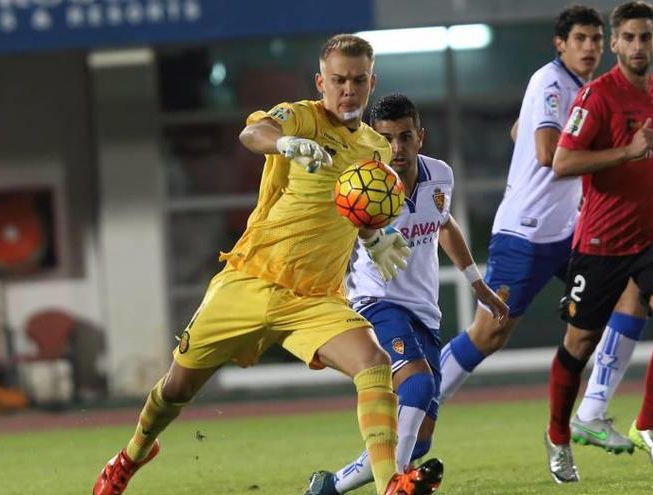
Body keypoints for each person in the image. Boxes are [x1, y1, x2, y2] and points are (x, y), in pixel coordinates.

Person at [92, 34, 442, 495]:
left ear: (371, 82)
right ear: (322, 81)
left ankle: (389, 484)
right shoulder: (299, 116)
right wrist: (288, 144)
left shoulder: (376, 151)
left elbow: (361, 210)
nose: (348, 90)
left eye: (358, 80)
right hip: (250, 281)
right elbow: (252, 132)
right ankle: (132, 453)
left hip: (314, 299)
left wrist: (374, 237)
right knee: (176, 389)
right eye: (338, 80)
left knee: (374, 364)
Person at [304, 94, 508, 495]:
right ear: (373, 140)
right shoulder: (364, 184)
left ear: (420, 137)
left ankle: (328, 488)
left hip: (424, 311)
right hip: (375, 302)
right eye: (386, 138)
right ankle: (393, 486)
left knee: (421, 438)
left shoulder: (440, 176)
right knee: (416, 387)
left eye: (404, 136)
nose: (396, 148)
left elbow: (444, 224)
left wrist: (476, 282)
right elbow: (336, 233)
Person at [551, 0, 653, 473]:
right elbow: (563, 162)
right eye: (628, 38)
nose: (637, 46)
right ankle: (558, 437)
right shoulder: (594, 97)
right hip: (602, 241)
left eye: (645, 37)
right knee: (578, 343)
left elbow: (652, 155)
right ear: (615, 43)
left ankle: (648, 423)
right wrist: (628, 153)